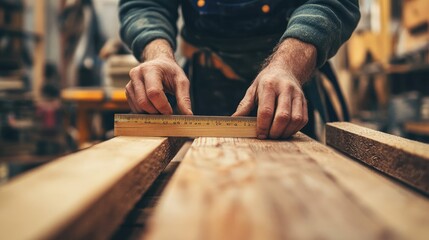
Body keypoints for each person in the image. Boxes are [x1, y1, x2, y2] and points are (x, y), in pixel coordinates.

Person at [119, 0, 360, 139]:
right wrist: (158, 54)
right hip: (204, 85)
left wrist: (287, 66)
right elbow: (145, 4)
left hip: (286, 90)